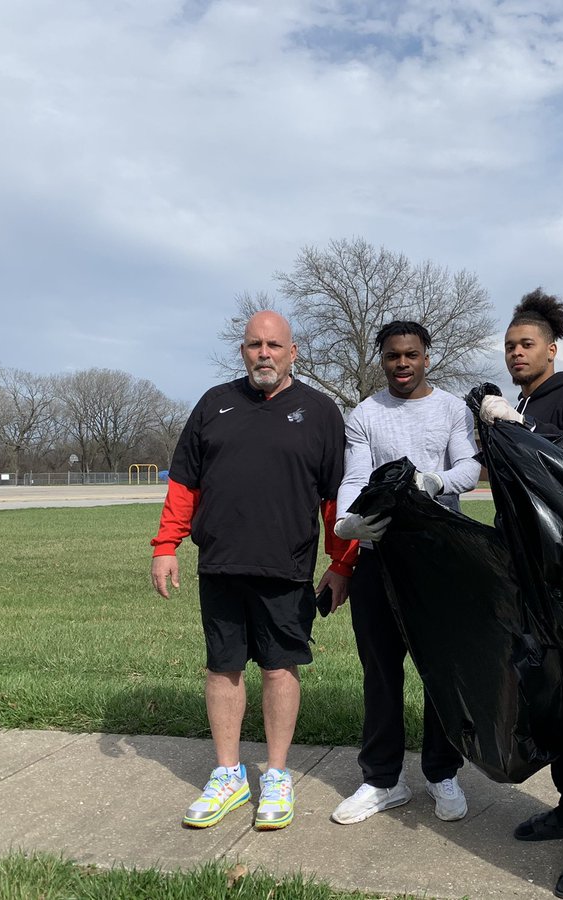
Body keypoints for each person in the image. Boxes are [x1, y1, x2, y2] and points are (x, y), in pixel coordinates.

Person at [150, 311, 357, 832]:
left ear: (292, 352)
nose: (264, 353)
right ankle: (228, 775)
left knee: (279, 669)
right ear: (242, 351)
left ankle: (278, 774)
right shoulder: (213, 404)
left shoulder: (320, 412)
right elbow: (184, 483)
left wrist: (341, 563)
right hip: (220, 563)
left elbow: (336, 498)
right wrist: (166, 544)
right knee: (222, 667)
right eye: (254, 345)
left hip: (286, 568)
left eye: (274, 345)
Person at [478, 289, 563, 900]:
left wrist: (519, 428)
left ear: (552, 349)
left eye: (526, 344)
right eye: (509, 346)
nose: (516, 353)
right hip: (524, 578)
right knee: (548, 702)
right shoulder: (523, 402)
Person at [330, 321, 482, 826]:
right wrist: (348, 521)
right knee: (380, 672)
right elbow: (355, 476)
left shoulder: (452, 409)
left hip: (439, 557)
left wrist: (433, 480)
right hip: (379, 558)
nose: (402, 364)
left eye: (410, 355)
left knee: (441, 669)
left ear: (426, 357)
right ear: (383, 359)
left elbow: (469, 468)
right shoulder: (364, 414)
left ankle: (442, 772)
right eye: (393, 355)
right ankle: (382, 779)